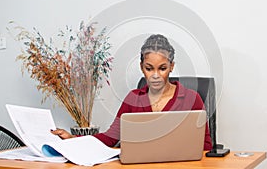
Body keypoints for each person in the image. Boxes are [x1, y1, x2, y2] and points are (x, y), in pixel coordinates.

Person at [51, 34, 212, 150]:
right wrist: (73, 139)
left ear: (171, 66)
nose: (155, 75)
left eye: (162, 68)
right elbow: (110, 138)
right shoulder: (133, 99)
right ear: (142, 67)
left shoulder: (191, 98)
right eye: (149, 69)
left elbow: (205, 146)